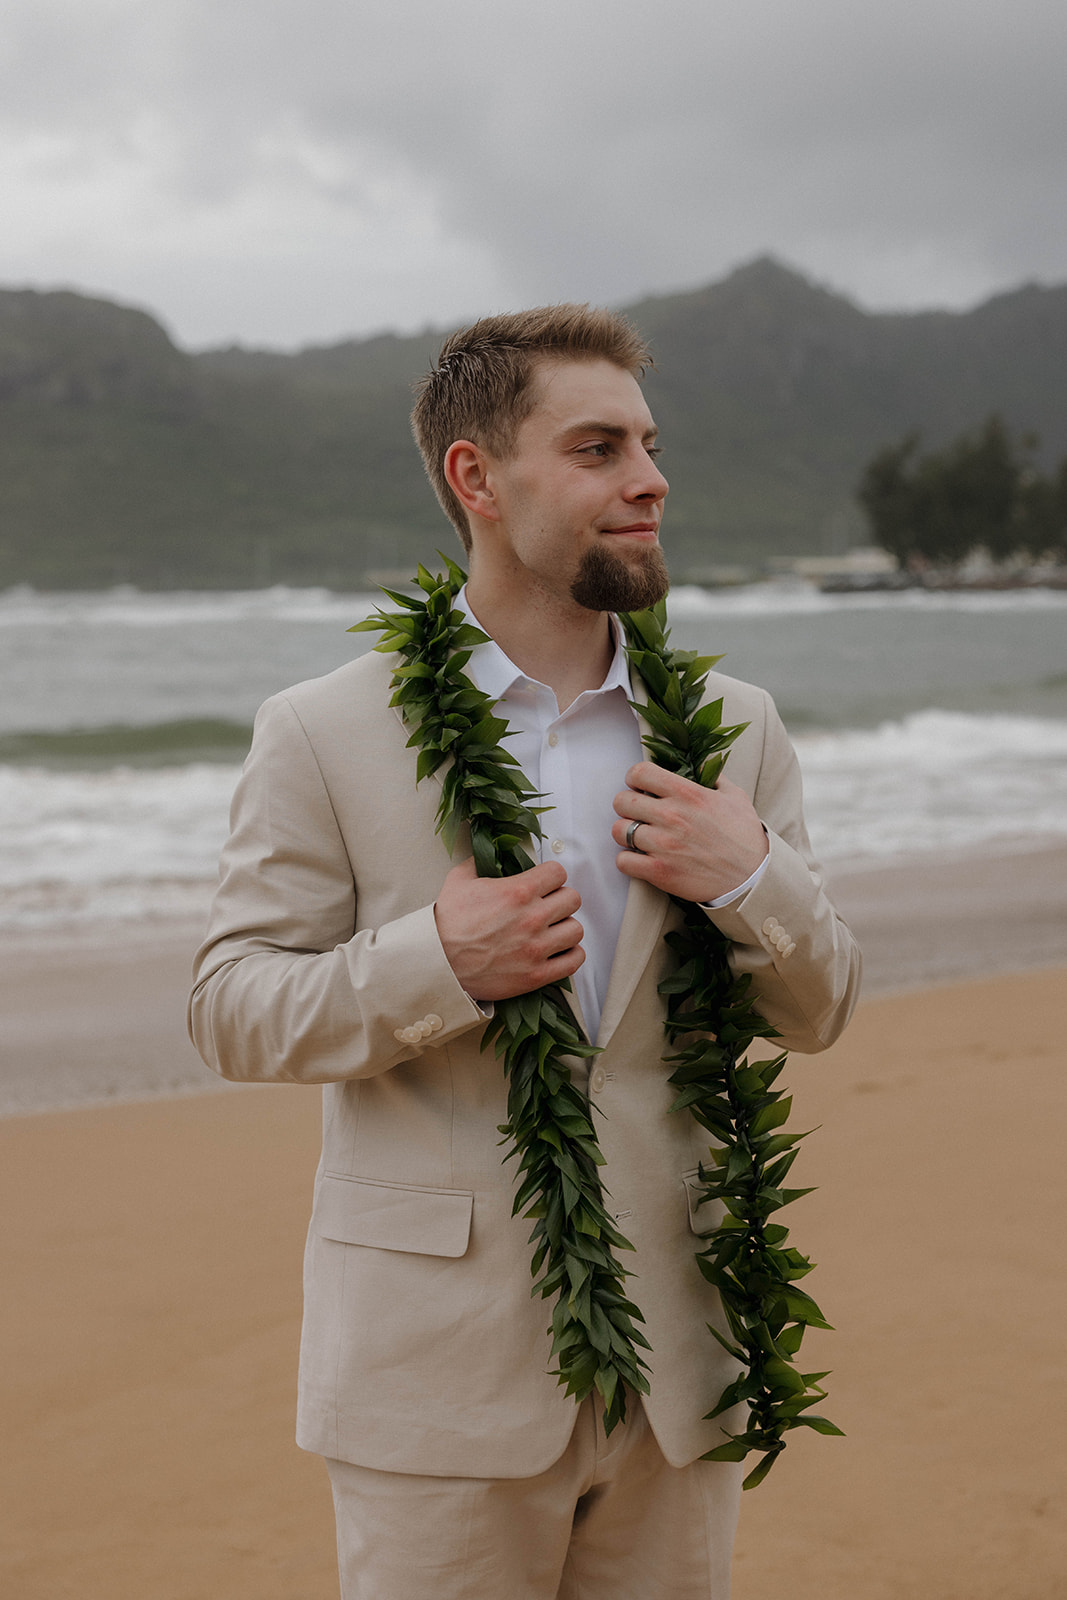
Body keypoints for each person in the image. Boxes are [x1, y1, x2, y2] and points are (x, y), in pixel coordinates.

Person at [189, 304, 860, 1600]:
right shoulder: (322, 731)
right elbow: (230, 1006)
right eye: (600, 447)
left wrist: (752, 877)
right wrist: (434, 961)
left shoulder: (733, 730)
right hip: (435, 1383)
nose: (652, 478)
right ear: (477, 478)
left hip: (686, 1362)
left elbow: (822, 1004)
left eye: (651, 445)